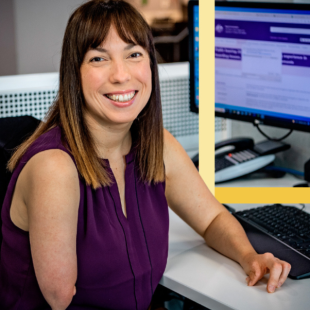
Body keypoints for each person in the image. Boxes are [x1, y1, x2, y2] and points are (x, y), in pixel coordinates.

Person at [0, 0, 291, 309]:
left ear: (150, 64)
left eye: (134, 54)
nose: (121, 75)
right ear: (75, 73)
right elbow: (61, 300)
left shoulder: (156, 145)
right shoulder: (54, 167)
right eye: (99, 58)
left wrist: (250, 258)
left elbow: (213, 219)